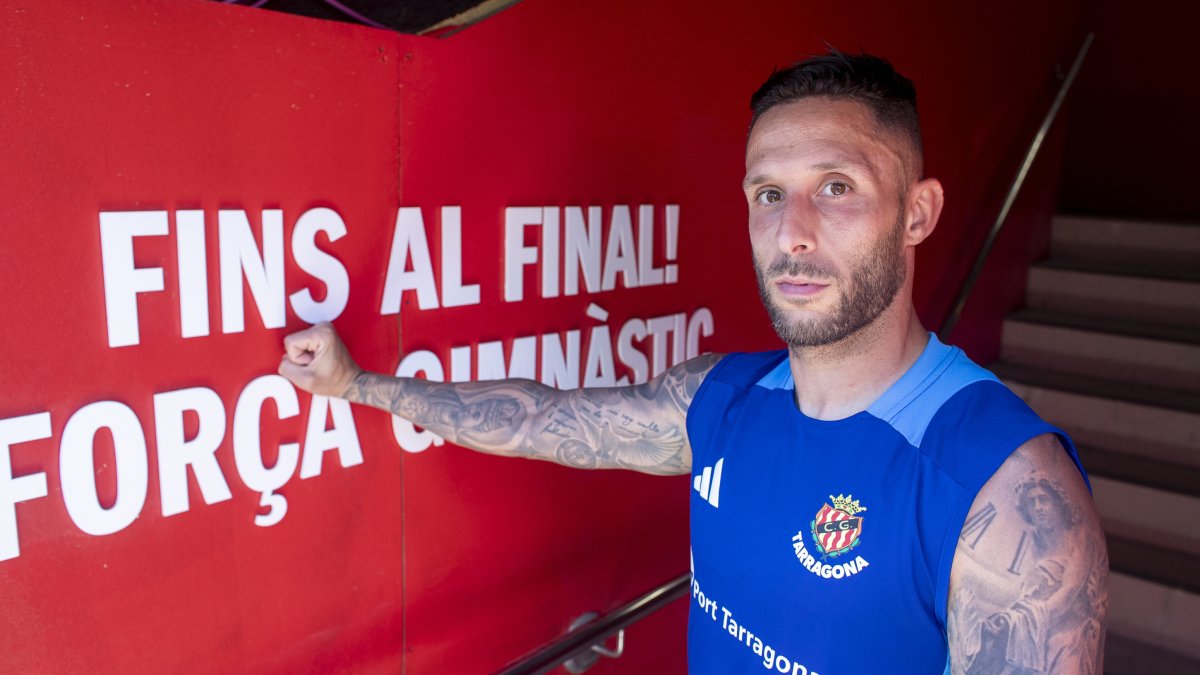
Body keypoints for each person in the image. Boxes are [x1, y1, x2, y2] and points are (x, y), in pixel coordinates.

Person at [278, 51, 1107, 674]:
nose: (794, 233)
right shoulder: (721, 396)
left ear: (918, 213)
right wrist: (355, 384)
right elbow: (544, 420)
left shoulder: (1003, 490)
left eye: (838, 186)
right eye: (768, 194)